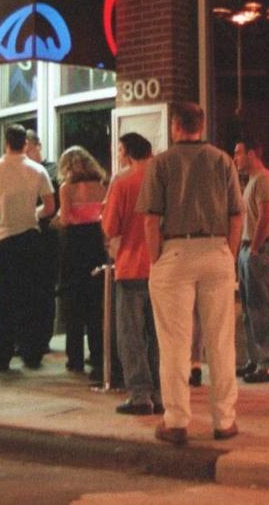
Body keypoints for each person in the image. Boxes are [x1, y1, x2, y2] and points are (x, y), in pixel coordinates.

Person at [137, 102, 243, 445]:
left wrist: (157, 258)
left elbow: (151, 218)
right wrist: (226, 249)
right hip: (216, 251)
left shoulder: (161, 164)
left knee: (175, 344)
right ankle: (224, 420)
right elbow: (236, 215)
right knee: (221, 341)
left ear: (174, 126)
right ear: (202, 124)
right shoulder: (223, 160)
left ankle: (177, 420)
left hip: (176, 251)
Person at [0, 124, 55, 372]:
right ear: (26, 144)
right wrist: (33, 213)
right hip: (30, 236)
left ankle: (1, 354)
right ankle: (32, 351)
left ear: (5, 143)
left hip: (3, 238)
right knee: (30, 296)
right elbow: (50, 207)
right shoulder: (38, 170)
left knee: (3, 299)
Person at [102, 132, 163, 415]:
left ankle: (140, 394)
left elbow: (110, 227)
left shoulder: (123, 182)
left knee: (131, 335)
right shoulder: (166, 179)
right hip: (163, 266)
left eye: (119, 151)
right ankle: (161, 393)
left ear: (126, 152)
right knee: (159, 334)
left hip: (130, 265)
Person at [234, 136, 269, 383]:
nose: (236, 159)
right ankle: (255, 359)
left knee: (263, 308)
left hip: (261, 249)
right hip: (249, 248)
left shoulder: (263, 179)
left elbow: (267, 213)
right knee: (250, 308)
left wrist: (254, 247)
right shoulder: (252, 181)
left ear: (252, 154)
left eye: (239, 153)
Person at [57, 145, 109, 382]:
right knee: (95, 303)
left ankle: (75, 357)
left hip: (75, 246)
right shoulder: (101, 186)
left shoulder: (67, 188)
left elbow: (66, 218)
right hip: (96, 244)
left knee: (73, 304)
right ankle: (97, 355)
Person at [25, 131, 60, 354]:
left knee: (45, 290)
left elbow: (54, 203)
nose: (26, 153)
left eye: (28, 148)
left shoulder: (52, 170)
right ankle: (26, 338)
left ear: (37, 146)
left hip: (47, 238)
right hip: (27, 237)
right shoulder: (22, 170)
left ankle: (43, 338)